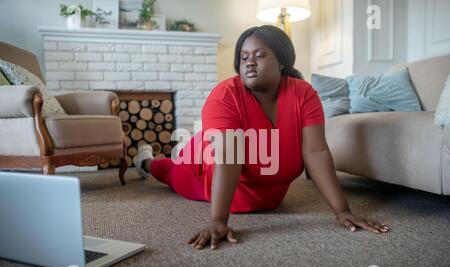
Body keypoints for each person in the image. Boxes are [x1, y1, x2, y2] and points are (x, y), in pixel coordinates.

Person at [134, 25, 389, 250]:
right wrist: (219, 220)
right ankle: (145, 160)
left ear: (281, 61)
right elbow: (229, 159)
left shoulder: (303, 94)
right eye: (244, 57)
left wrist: (342, 211)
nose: (249, 62)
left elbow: (316, 152)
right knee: (167, 170)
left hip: (258, 183)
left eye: (260, 55)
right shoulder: (225, 95)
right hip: (205, 165)